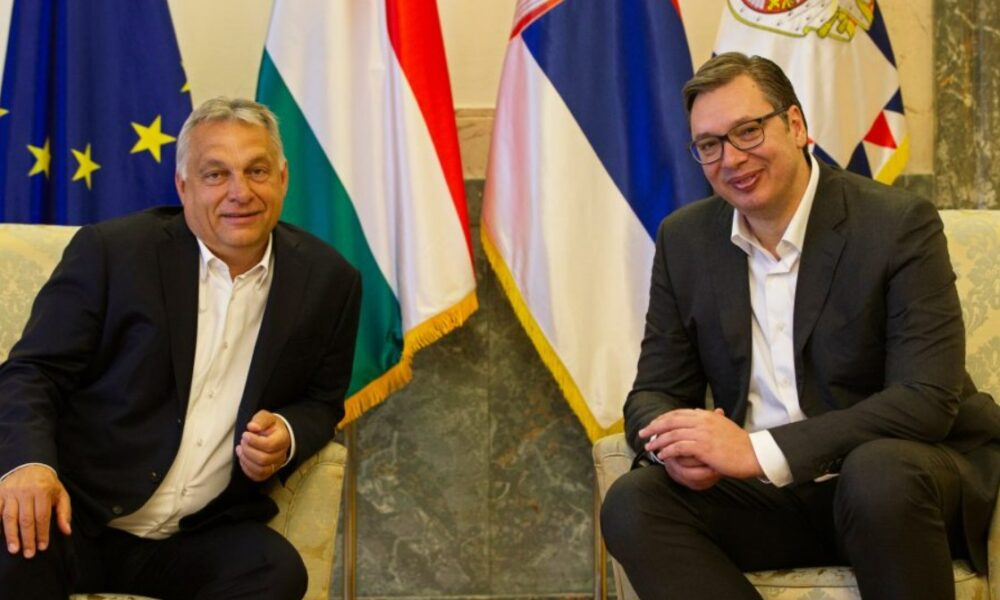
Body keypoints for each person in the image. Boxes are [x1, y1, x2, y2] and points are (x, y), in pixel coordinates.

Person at [600, 52, 1000, 600]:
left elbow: (926, 400)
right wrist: (679, 444)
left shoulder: (897, 224)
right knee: (633, 503)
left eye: (748, 131)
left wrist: (759, 451)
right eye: (709, 145)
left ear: (794, 125)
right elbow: (654, 391)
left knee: (878, 472)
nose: (731, 158)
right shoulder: (685, 239)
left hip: (900, 491)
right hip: (769, 503)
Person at [0, 97, 362, 599]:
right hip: (76, 515)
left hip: (199, 534)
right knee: (10, 545)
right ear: (183, 186)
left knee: (276, 572)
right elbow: (34, 372)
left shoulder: (329, 281)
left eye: (256, 171)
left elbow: (322, 402)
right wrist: (28, 466)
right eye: (216, 175)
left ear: (282, 179)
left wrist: (287, 430)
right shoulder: (113, 253)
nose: (240, 192)